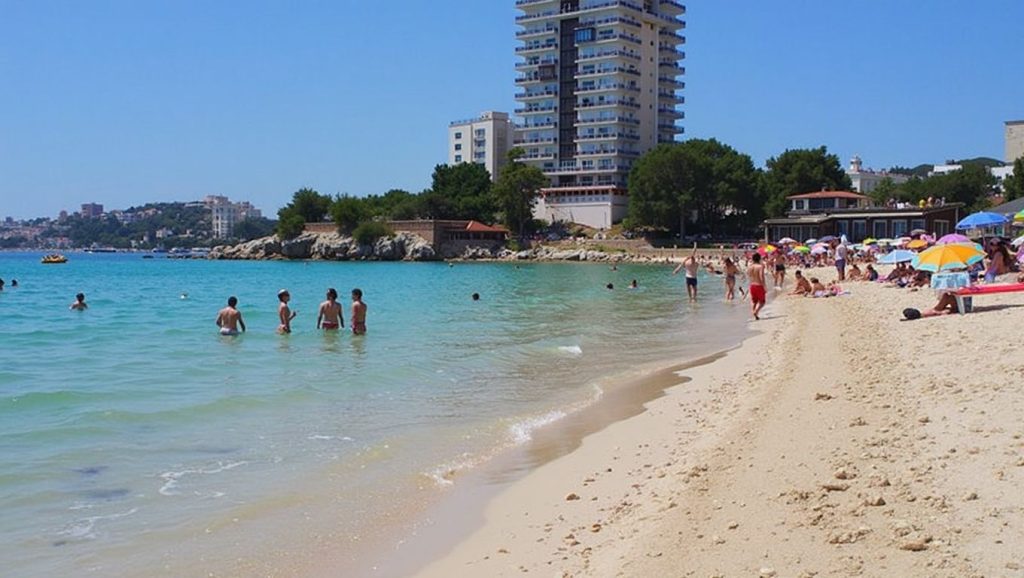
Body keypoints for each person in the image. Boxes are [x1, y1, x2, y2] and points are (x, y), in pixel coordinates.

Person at [747, 253, 767, 320]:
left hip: (752, 285)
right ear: (759, 259)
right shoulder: (760, 267)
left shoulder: (750, 267)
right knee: (762, 302)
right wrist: (764, 286)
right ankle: (756, 311)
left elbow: (748, 275)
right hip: (759, 285)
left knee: (754, 301)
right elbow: (761, 277)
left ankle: (754, 312)